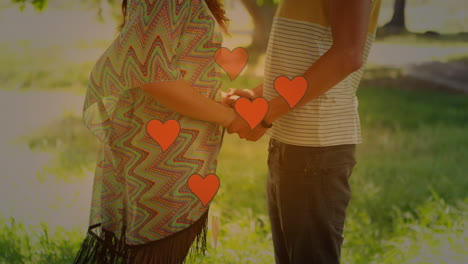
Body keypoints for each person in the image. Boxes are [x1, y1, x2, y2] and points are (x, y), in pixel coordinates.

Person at [73, 0, 250, 263]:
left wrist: (222, 98)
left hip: (179, 157)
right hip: (161, 162)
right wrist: (229, 118)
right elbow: (151, 76)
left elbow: (176, 69)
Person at [224, 0, 382, 263]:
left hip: (316, 149)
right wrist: (258, 96)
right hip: (291, 144)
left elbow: (347, 55)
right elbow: (305, 60)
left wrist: (266, 115)